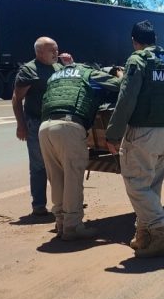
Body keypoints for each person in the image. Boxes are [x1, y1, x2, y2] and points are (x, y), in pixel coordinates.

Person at [105, 20, 164, 258]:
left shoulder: (137, 60)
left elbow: (126, 100)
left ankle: (160, 233)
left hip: (142, 132)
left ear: (135, 41)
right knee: (152, 186)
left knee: (136, 185)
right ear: (155, 39)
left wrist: (113, 133)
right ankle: (144, 236)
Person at [39, 63, 121, 240]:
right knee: (72, 177)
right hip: (68, 126)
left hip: (45, 127)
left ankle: (61, 222)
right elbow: (118, 85)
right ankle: (73, 227)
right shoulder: (88, 73)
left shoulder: (56, 77)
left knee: (56, 177)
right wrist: (120, 74)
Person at [11, 37, 72, 217]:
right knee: (39, 166)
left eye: (56, 49)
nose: (56, 53)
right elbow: (16, 99)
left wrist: (70, 64)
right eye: (51, 50)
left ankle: (64, 203)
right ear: (39, 52)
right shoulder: (29, 71)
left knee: (60, 164)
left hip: (57, 123)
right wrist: (21, 125)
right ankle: (38, 206)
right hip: (36, 123)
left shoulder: (59, 67)